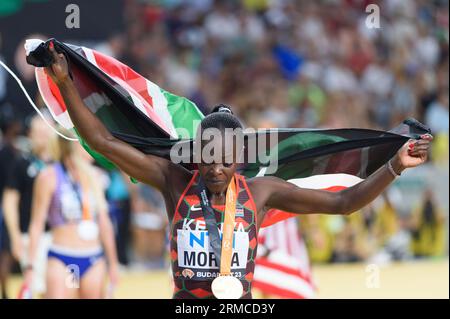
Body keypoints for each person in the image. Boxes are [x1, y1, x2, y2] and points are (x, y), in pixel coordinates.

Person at [44, 42, 433, 299]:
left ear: (240, 159)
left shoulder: (262, 193)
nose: (215, 168)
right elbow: (103, 143)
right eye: (208, 157)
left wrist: (396, 165)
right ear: (195, 153)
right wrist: (65, 84)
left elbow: (345, 202)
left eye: (225, 160)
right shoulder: (173, 180)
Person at [25, 131, 119, 298]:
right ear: (74, 144)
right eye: (87, 143)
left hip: (93, 258)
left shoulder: (96, 177)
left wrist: (113, 263)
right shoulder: (48, 176)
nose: (93, 148)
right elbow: (37, 223)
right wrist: (30, 265)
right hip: (63, 257)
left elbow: (104, 222)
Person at [2, 115, 52, 296]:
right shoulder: (21, 163)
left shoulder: (61, 163)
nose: (43, 137)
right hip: (31, 237)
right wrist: (15, 236)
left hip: (62, 237)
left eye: (47, 132)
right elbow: (9, 201)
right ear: (30, 134)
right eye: (38, 133)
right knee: (39, 288)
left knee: (69, 286)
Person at [0, 117, 22, 298]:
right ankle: (5, 292)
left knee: (5, 252)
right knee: (5, 252)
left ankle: (6, 291)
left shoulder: (8, 150)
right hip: (4, 204)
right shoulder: (9, 151)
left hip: (4, 203)